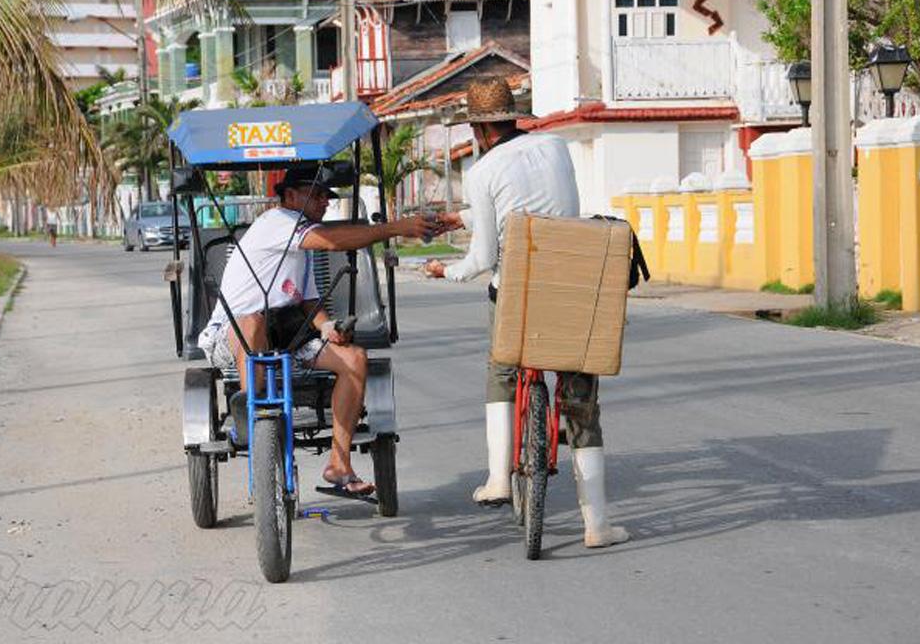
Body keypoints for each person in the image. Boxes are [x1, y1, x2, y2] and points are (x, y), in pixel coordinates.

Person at [425, 77, 629, 548]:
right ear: (513, 117)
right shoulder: (556, 146)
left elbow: (482, 257)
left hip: (518, 293)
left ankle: (498, 477)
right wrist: (464, 217)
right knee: (582, 404)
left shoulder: (481, 173)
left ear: (479, 130)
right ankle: (597, 525)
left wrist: (446, 271)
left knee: (501, 370)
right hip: (571, 286)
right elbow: (534, 207)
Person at [198, 167, 440, 496]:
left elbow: (307, 301)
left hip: (288, 337)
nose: (325, 201)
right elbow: (334, 241)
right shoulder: (277, 222)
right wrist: (397, 227)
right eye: (316, 195)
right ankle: (252, 415)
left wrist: (327, 327)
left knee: (354, 359)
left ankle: (339, 464)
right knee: (252, 321)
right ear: (290, 196)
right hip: (233, 336)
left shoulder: (302, 244)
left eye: (327, 195)